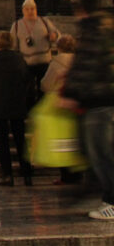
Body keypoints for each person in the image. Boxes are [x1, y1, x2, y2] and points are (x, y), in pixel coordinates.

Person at [60, 0, 114, 220]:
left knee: (100, 154)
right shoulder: (107, 25)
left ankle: (112, 203)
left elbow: (87, 63)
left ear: (81, 11)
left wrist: (72, 93)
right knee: (100, 152)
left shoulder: (93, 28)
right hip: (106, 96)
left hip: (98, 98)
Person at [0, 30, 32, 187]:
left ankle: (7, 175)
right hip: (17, 103)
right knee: (20, 140)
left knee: (3, 141)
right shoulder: (19, 59)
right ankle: (27, 174)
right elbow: (28, 80)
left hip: (0, 105)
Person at [41, 34, 82, 185]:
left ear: (59, 47)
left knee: (63, 141)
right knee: (76, 138)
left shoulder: (56, 62)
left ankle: (66, 176)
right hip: (78, 103)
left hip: (60, 104)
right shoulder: (80, 61)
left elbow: (46, 84)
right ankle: (79, 173)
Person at [10, 0, 59, 105]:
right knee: (28, 89)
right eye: (27, 9)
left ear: (36, 9)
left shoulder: (44, 21)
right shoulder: (17, 25)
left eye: (32, 9)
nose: (30, 11)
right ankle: (30, 108)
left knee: (44, 88)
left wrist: (53, 36)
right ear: (23, 11)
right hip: (27, 63)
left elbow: (57, 34)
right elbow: (13, 45)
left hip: (44, 61)